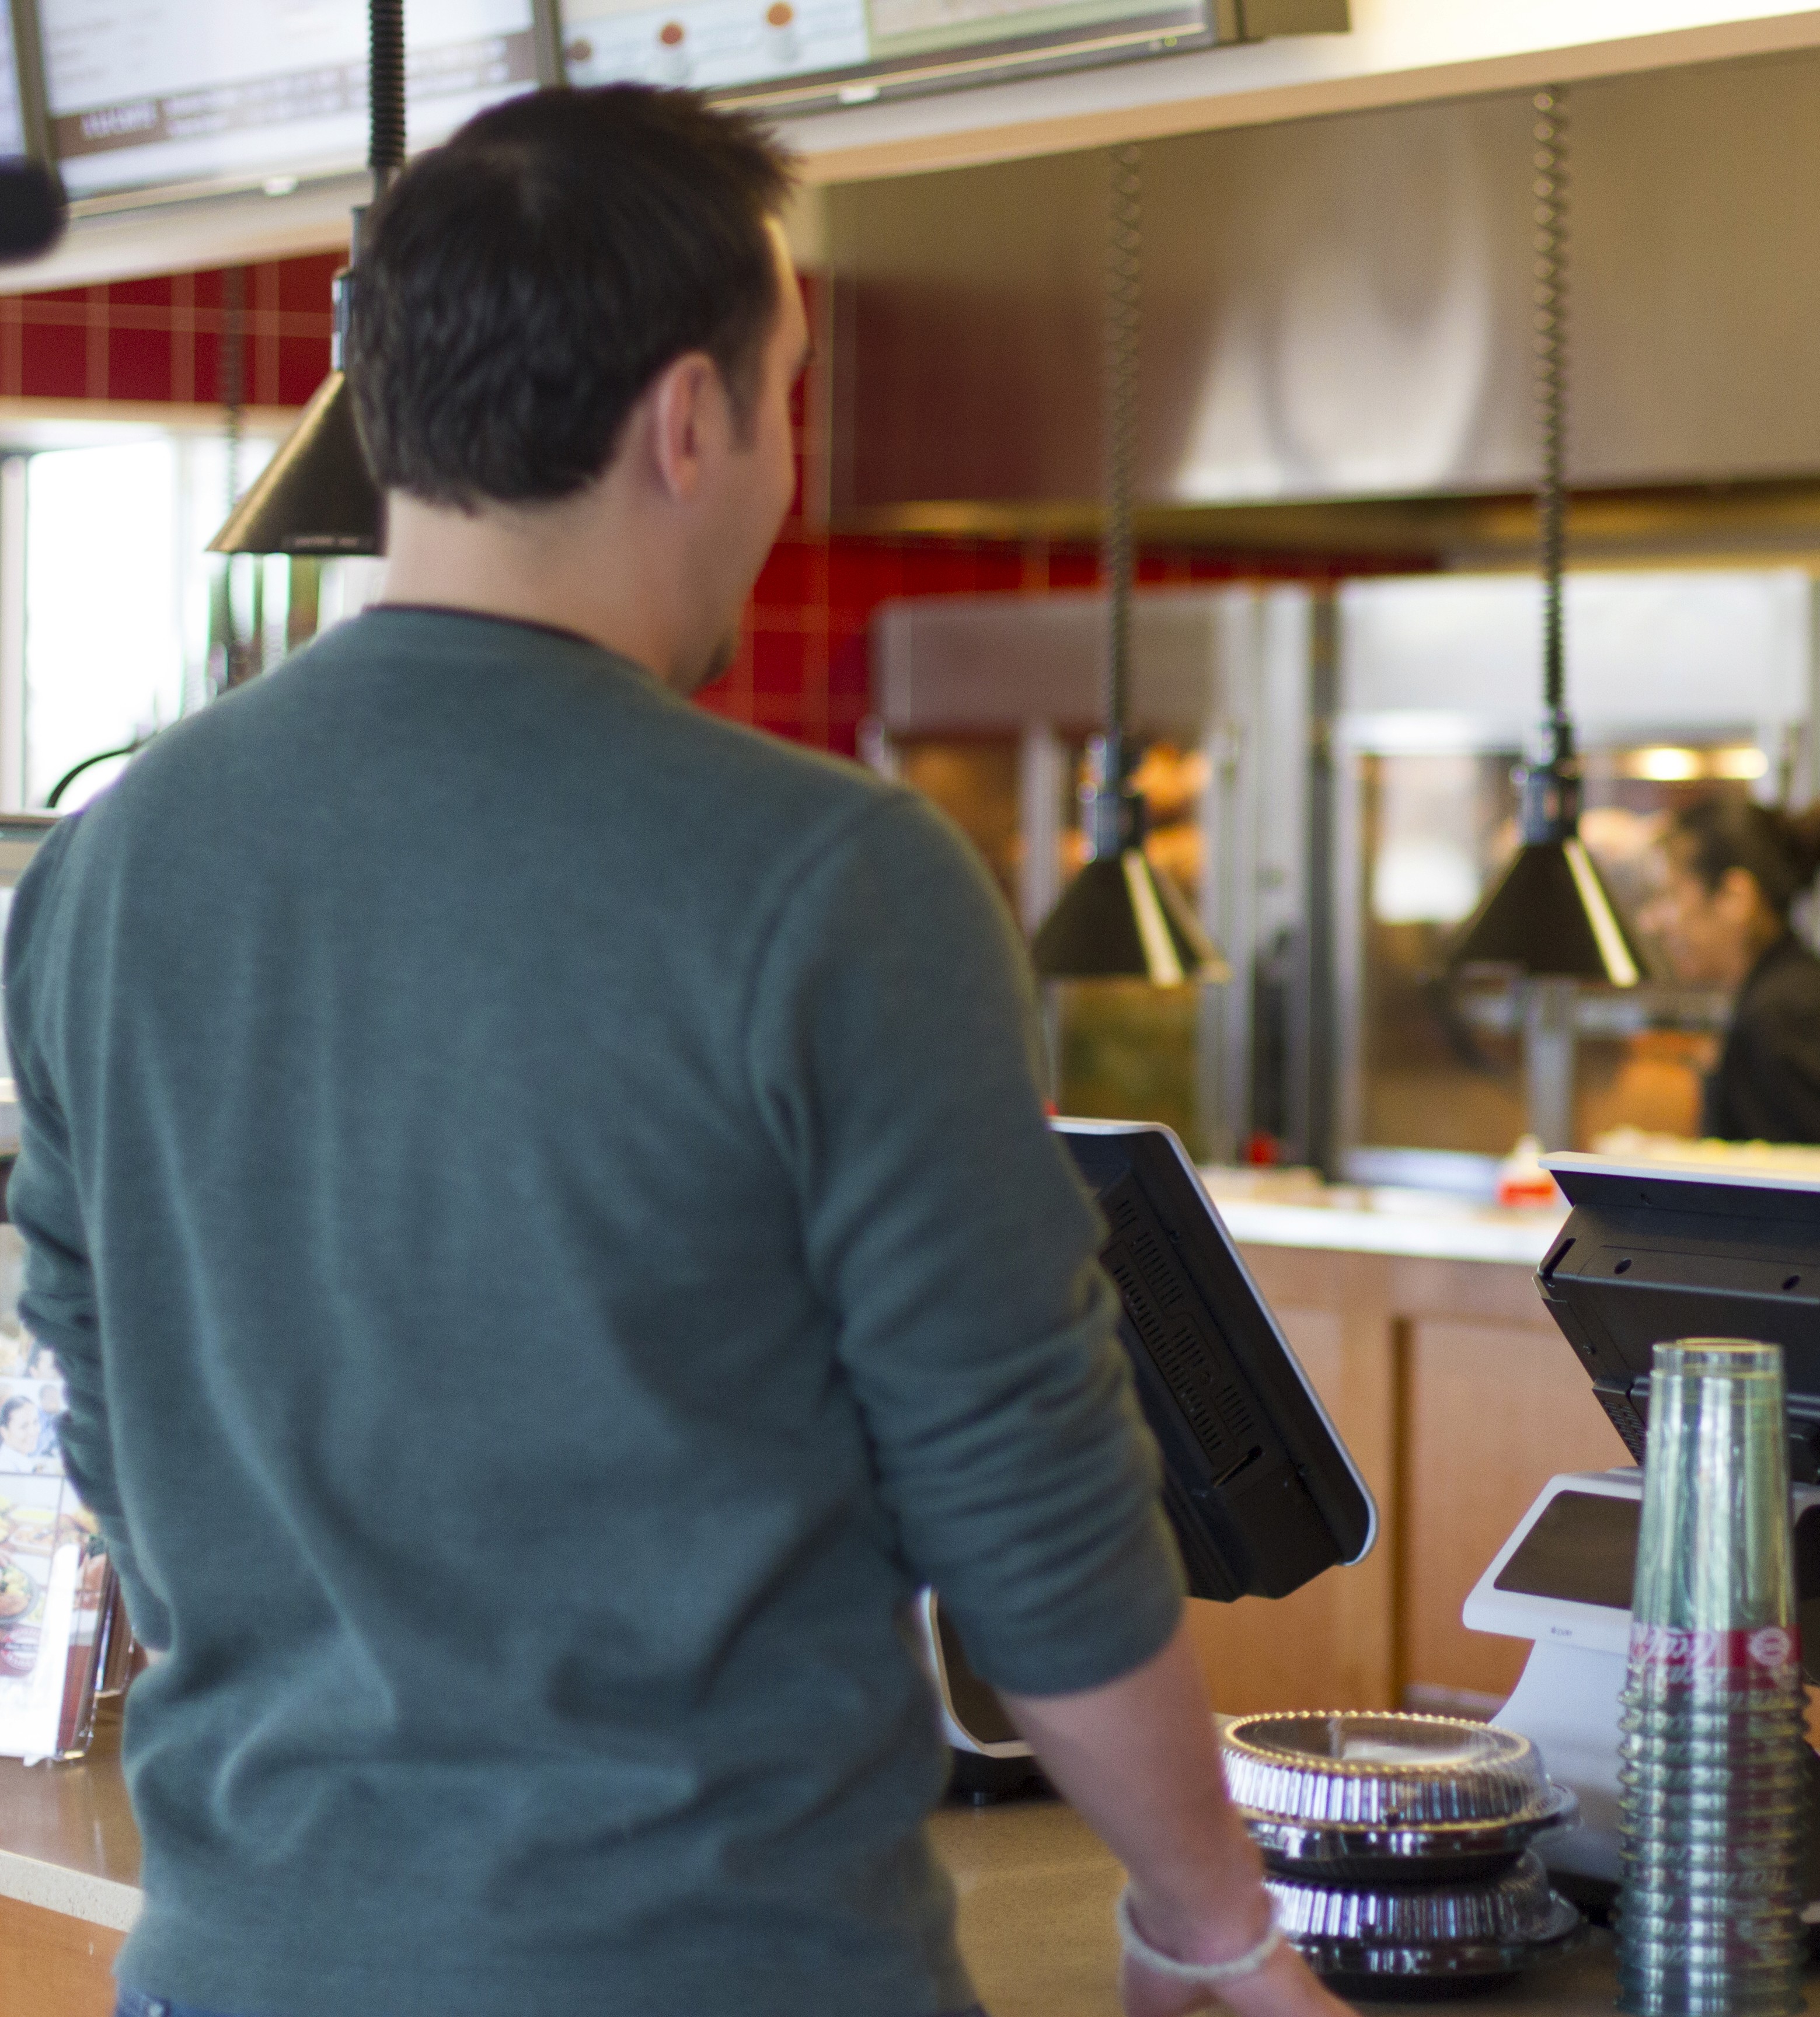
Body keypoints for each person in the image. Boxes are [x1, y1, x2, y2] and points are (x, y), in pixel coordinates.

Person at [4, 89, 1352, 2017]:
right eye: (790, 398)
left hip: (238, 1967)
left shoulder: (109, 862)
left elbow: (104, 1395)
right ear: (691, 418)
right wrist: (1211, 1921)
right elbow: (1026, 1498)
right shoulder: (835, 880)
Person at [1640, 797, 1820, 1174]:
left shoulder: (1780, 1016)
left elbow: (1810, 1194)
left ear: (1735, 898)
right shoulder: (1791, 992)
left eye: (1671, 895)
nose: (1653, 922)